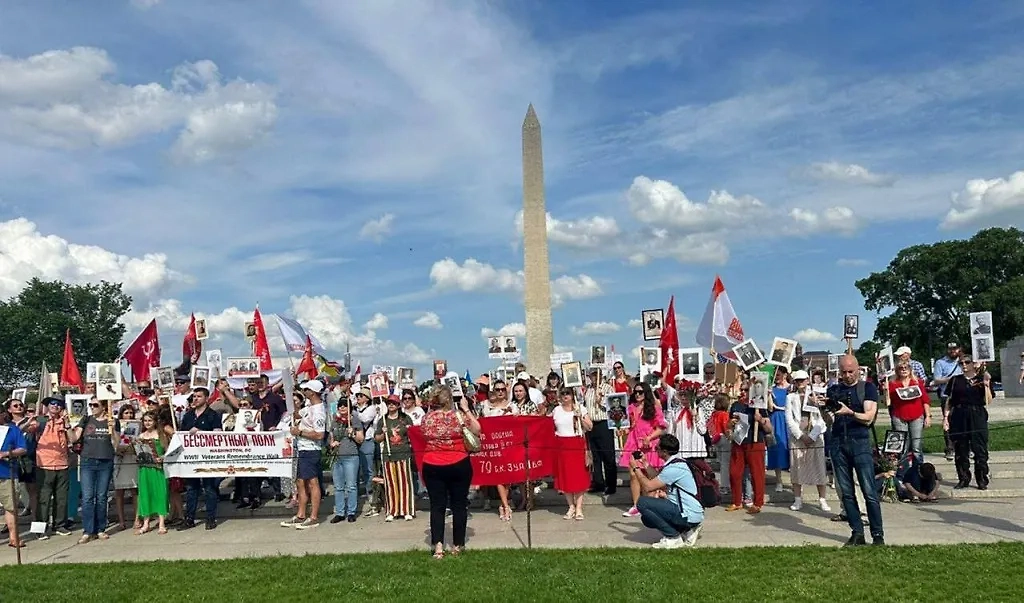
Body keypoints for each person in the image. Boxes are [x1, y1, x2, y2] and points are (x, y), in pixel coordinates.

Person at [823, 355, 884, 546]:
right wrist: (823, 410)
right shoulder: (834, 390)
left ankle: (877, 535)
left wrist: (849, 412)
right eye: (843, 372)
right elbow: (829, 421)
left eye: (850, 371)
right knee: (846, 492)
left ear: (858, 370)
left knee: (869, 491)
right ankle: (857, 532)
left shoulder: (867, 388)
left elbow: (868, 417)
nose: (847, 375)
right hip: (838, 442)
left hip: (860, 442)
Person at [420, 386, 481, 559]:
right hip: (458, 462)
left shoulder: (426, 419)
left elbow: (424, 436)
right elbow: (477, 429)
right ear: (449, 400)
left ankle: (438, 546)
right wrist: (466, 409)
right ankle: (457, 544)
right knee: (459, 505)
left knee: (437, 506)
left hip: (432, 464)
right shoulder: (459, 416)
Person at [629, 434, 704, 549]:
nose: (655, 450)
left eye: (657, 448)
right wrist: (645, 463)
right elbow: (659, 477)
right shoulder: (677, 463)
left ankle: (673, 537)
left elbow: (649, 486)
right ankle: (686, 530)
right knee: (647, 518)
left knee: (642, 503)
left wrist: (636, 468)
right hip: (689, 510)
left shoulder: (674, 468)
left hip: (687, 512)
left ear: (664, 451)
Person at [71, 397, 119, 544]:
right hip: (88, 461)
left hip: (105, 460)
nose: (92, 407)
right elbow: (74, 438)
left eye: (95, 405)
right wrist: (67, 427)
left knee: (101, 496)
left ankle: (100, 529)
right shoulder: (86, 420)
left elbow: (116, 444)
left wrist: (113, 430)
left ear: (104, 406)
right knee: (87, 497)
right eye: (91, 405)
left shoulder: (112, 421)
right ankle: (88, 530)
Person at [282, 380, 327, 529]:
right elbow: (297, 414)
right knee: (300, 482)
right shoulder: (309, 407)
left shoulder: (319, 411)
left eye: (306, 390)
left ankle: (313, 516)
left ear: (312, 392)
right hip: (302, 448)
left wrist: (300, 432)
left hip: (311, 449)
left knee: (312, 482)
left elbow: (320, 434)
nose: (304, 392)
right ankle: (301, 514)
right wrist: (291, 402)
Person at [619, 383, 667, 518]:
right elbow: (626, 426)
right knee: (634, 474)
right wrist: (622, 430)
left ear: (646, 393)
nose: (637, 395)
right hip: (633, 443)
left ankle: (649, 503)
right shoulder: (630, 408)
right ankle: (636, 505)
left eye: (640, 392)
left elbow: (661, 428)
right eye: (635, 392)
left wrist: (650, 437)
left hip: (648, 444)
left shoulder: (654, 408)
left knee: (647, 475)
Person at [944, 354, 991, 490]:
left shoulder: (981, 379)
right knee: (961, 447)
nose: (964, 365)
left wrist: (987, 386)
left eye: (967, 362)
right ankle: (963, 477)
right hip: (959, 414)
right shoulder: (955, 380)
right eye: (961, 363)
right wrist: (945, 418)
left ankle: (981, 477)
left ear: (973, 364)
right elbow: (949, 400)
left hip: (977, 413)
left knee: (979, 447)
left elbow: (988, 400)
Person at [177, 387, 222, 531]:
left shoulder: (212, 415)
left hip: (207, 457)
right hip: (191, 457)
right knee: (191, 489)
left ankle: (210, 518)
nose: (195, 399)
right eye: (194, 396)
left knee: (209, 488)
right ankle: (189, 518)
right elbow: (182, 434)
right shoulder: (189, 415)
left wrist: (201, 433)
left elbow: (218, 435)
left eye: (199, 396)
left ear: (206, 398)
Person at [785, 371, 830, 512]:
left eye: (802, 380)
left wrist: (813, 435)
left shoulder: (817, 394)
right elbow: (789, 419)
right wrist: (800, 435)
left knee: (819, 467)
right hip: (798, 436)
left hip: (815, 436)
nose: (800, 383)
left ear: (807, 380)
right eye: (797, 381)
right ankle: (798, 499)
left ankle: (822, 499)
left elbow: (823, 418)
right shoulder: (790, 397)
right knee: (797, 467)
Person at [34, 397, 73, 538]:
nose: (55, 406)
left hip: (62, 464)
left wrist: (67, 424)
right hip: (44, 465)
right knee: (43, 499)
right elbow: (27, 430)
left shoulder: (64, 422)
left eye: (58, 404)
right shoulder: (41, 421)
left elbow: (73, 439)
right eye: (53, 403)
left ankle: (59, 525)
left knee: (61, 499)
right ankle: (39, 529)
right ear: (47, 406)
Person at [552, 388, 592, 520]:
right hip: (561, 444)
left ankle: (579, 506)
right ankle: (571, 506)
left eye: (567, 393)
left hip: (577, 443)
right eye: (562, 393)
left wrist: (580, 415)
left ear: (572, 395)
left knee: (579, 475)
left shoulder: (580, 408)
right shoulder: (556, 410)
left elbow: (590, 427)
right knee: (565, 476)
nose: (565, 396)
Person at [375, 394, 415, 522]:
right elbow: (377, 439)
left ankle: (406, 510)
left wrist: (410, 430)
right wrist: (383, 433)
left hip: (404, 453)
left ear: (398, 405)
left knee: (405, 482)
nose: (391, 405)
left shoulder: (405, 418)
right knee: (391, 483)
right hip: (389, 453)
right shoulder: (383, 420)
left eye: (393, 403)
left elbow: (412, 435)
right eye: (389, 403)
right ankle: (392, 510)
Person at [328, 401, 364, 524]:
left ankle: (351, 512)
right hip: (337, 457)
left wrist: (353, 433)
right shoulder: (334, 421)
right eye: (340, 405)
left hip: (351, 456)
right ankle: (340, 512)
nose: (342, 407)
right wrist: (331, 444)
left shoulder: (355, 421)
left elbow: (360, 439)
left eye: (345, 405)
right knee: (338, 487)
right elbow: (331, 438)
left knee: (351, 486)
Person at [135, 411, 169, 535]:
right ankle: (146, 523)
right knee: (145, 494)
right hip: (144, 469)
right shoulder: (141, 436)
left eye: (150, 420)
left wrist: (162, 457)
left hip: (157, 468)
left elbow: (168, 451)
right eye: (145, 421)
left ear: (155, 422)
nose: (147, 423)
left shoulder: (160, 435)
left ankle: (161, 523)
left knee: (160, 493)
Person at [888, 362, 929, 462]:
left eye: (906, 368)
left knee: (916, 446)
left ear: (910, 369)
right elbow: (888, 402)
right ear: (897, 370)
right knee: (902, 447)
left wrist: (928, 416)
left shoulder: (917, 382)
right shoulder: (892, 384)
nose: (903, 369)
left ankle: (918, 469)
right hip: (899, 416)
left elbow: (925, 400)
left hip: (917, 416)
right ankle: (903, 470)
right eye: (901, 368)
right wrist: (885, 391)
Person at [0, 403, 28, 548]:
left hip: (7, 473)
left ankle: (13, 538)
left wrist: (6, 453)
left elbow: (23, 448)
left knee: (11, 507)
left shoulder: (12, 430)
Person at [932, 343, 963, 461]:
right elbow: (936, 380)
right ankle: (950, 448)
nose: (952, 351)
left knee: (963, 421)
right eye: (950, 349)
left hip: (962, 395)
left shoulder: (963, 361)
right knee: (948, 422)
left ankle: (965, 447)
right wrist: (951, 379)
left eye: (955, 349)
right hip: (947, 395)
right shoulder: (940, 363)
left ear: (959, 349)